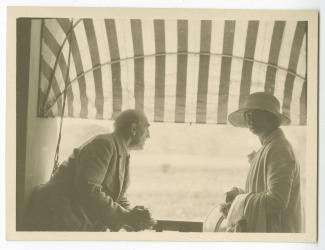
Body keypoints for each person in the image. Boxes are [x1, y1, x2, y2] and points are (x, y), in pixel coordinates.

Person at [23, 109, 155, 231]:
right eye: (147, 127)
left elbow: (117, 195)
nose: (148, 135)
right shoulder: (104, 144)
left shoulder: (122, 151)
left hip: (72, 220)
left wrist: (132, 214)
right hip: (55, 217)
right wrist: (126, 217)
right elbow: (88, 189)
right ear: (133, 128)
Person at [223, 92, 302, 232]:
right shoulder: (269, 147)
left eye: (257, 114)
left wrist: (238, 203)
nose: (250, 119)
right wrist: (239, 194)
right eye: (247, 115)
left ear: (272, 118)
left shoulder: (279, 149)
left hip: (280, 237)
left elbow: (277, 201)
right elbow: (262, 193)